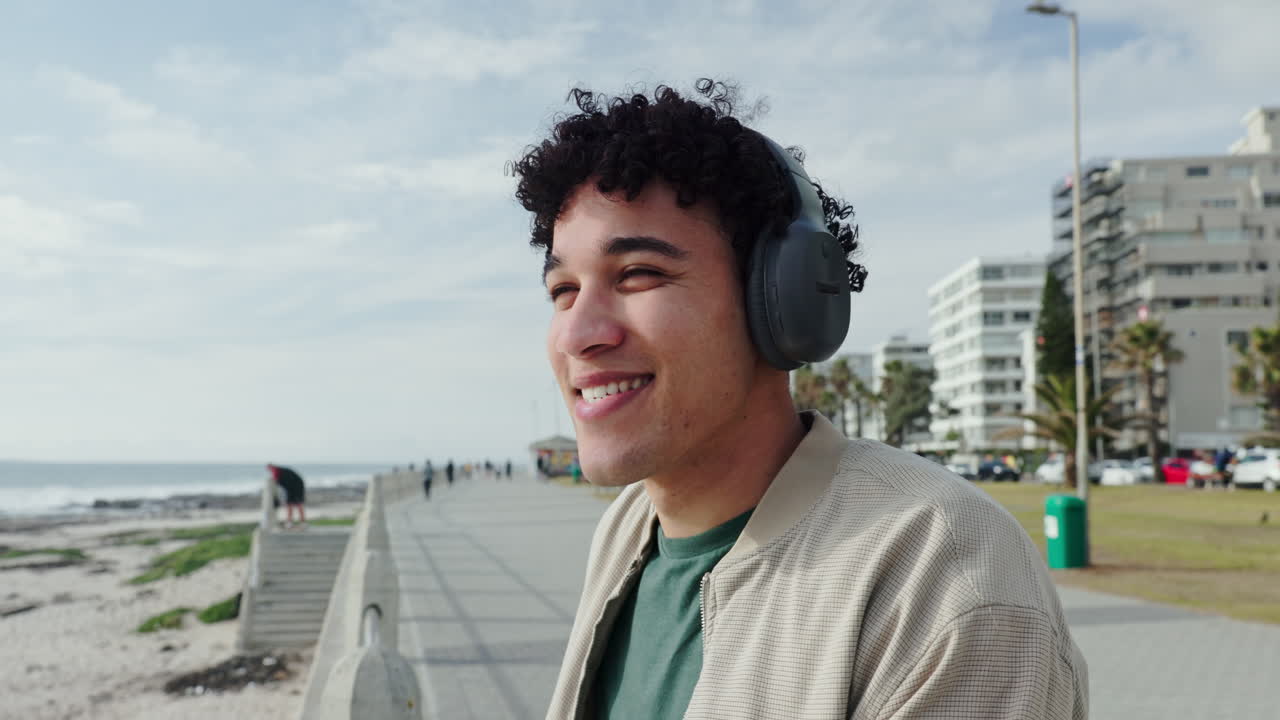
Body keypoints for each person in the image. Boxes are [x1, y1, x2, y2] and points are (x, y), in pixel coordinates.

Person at [513, 79, 1087, 719]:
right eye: (562, 290)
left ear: (783, 300)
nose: (578, 333)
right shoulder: (625, 530)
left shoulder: (942, 574)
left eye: (638, 274)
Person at [266, 463, 306, 529]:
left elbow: (276, 479)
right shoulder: (280, 471)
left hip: (296, 486)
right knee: (290, 504)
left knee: (298, 503)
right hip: (291, 487)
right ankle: (290, 522)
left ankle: (301, 522)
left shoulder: (277, 471)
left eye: (270, 469)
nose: (270, 471)